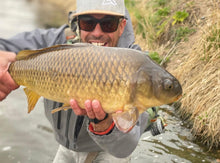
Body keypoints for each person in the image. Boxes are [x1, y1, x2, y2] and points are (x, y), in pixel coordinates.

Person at [0, 0, 158, 162]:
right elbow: (5, 46)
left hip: (107, 151)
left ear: (122, 25)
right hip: (65, 147)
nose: (97, 32)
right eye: (88, 23)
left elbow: (125, 148)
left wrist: (104, 124)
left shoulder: (139, 67)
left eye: (108, 24)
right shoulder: (57, 40)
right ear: (78, 23)